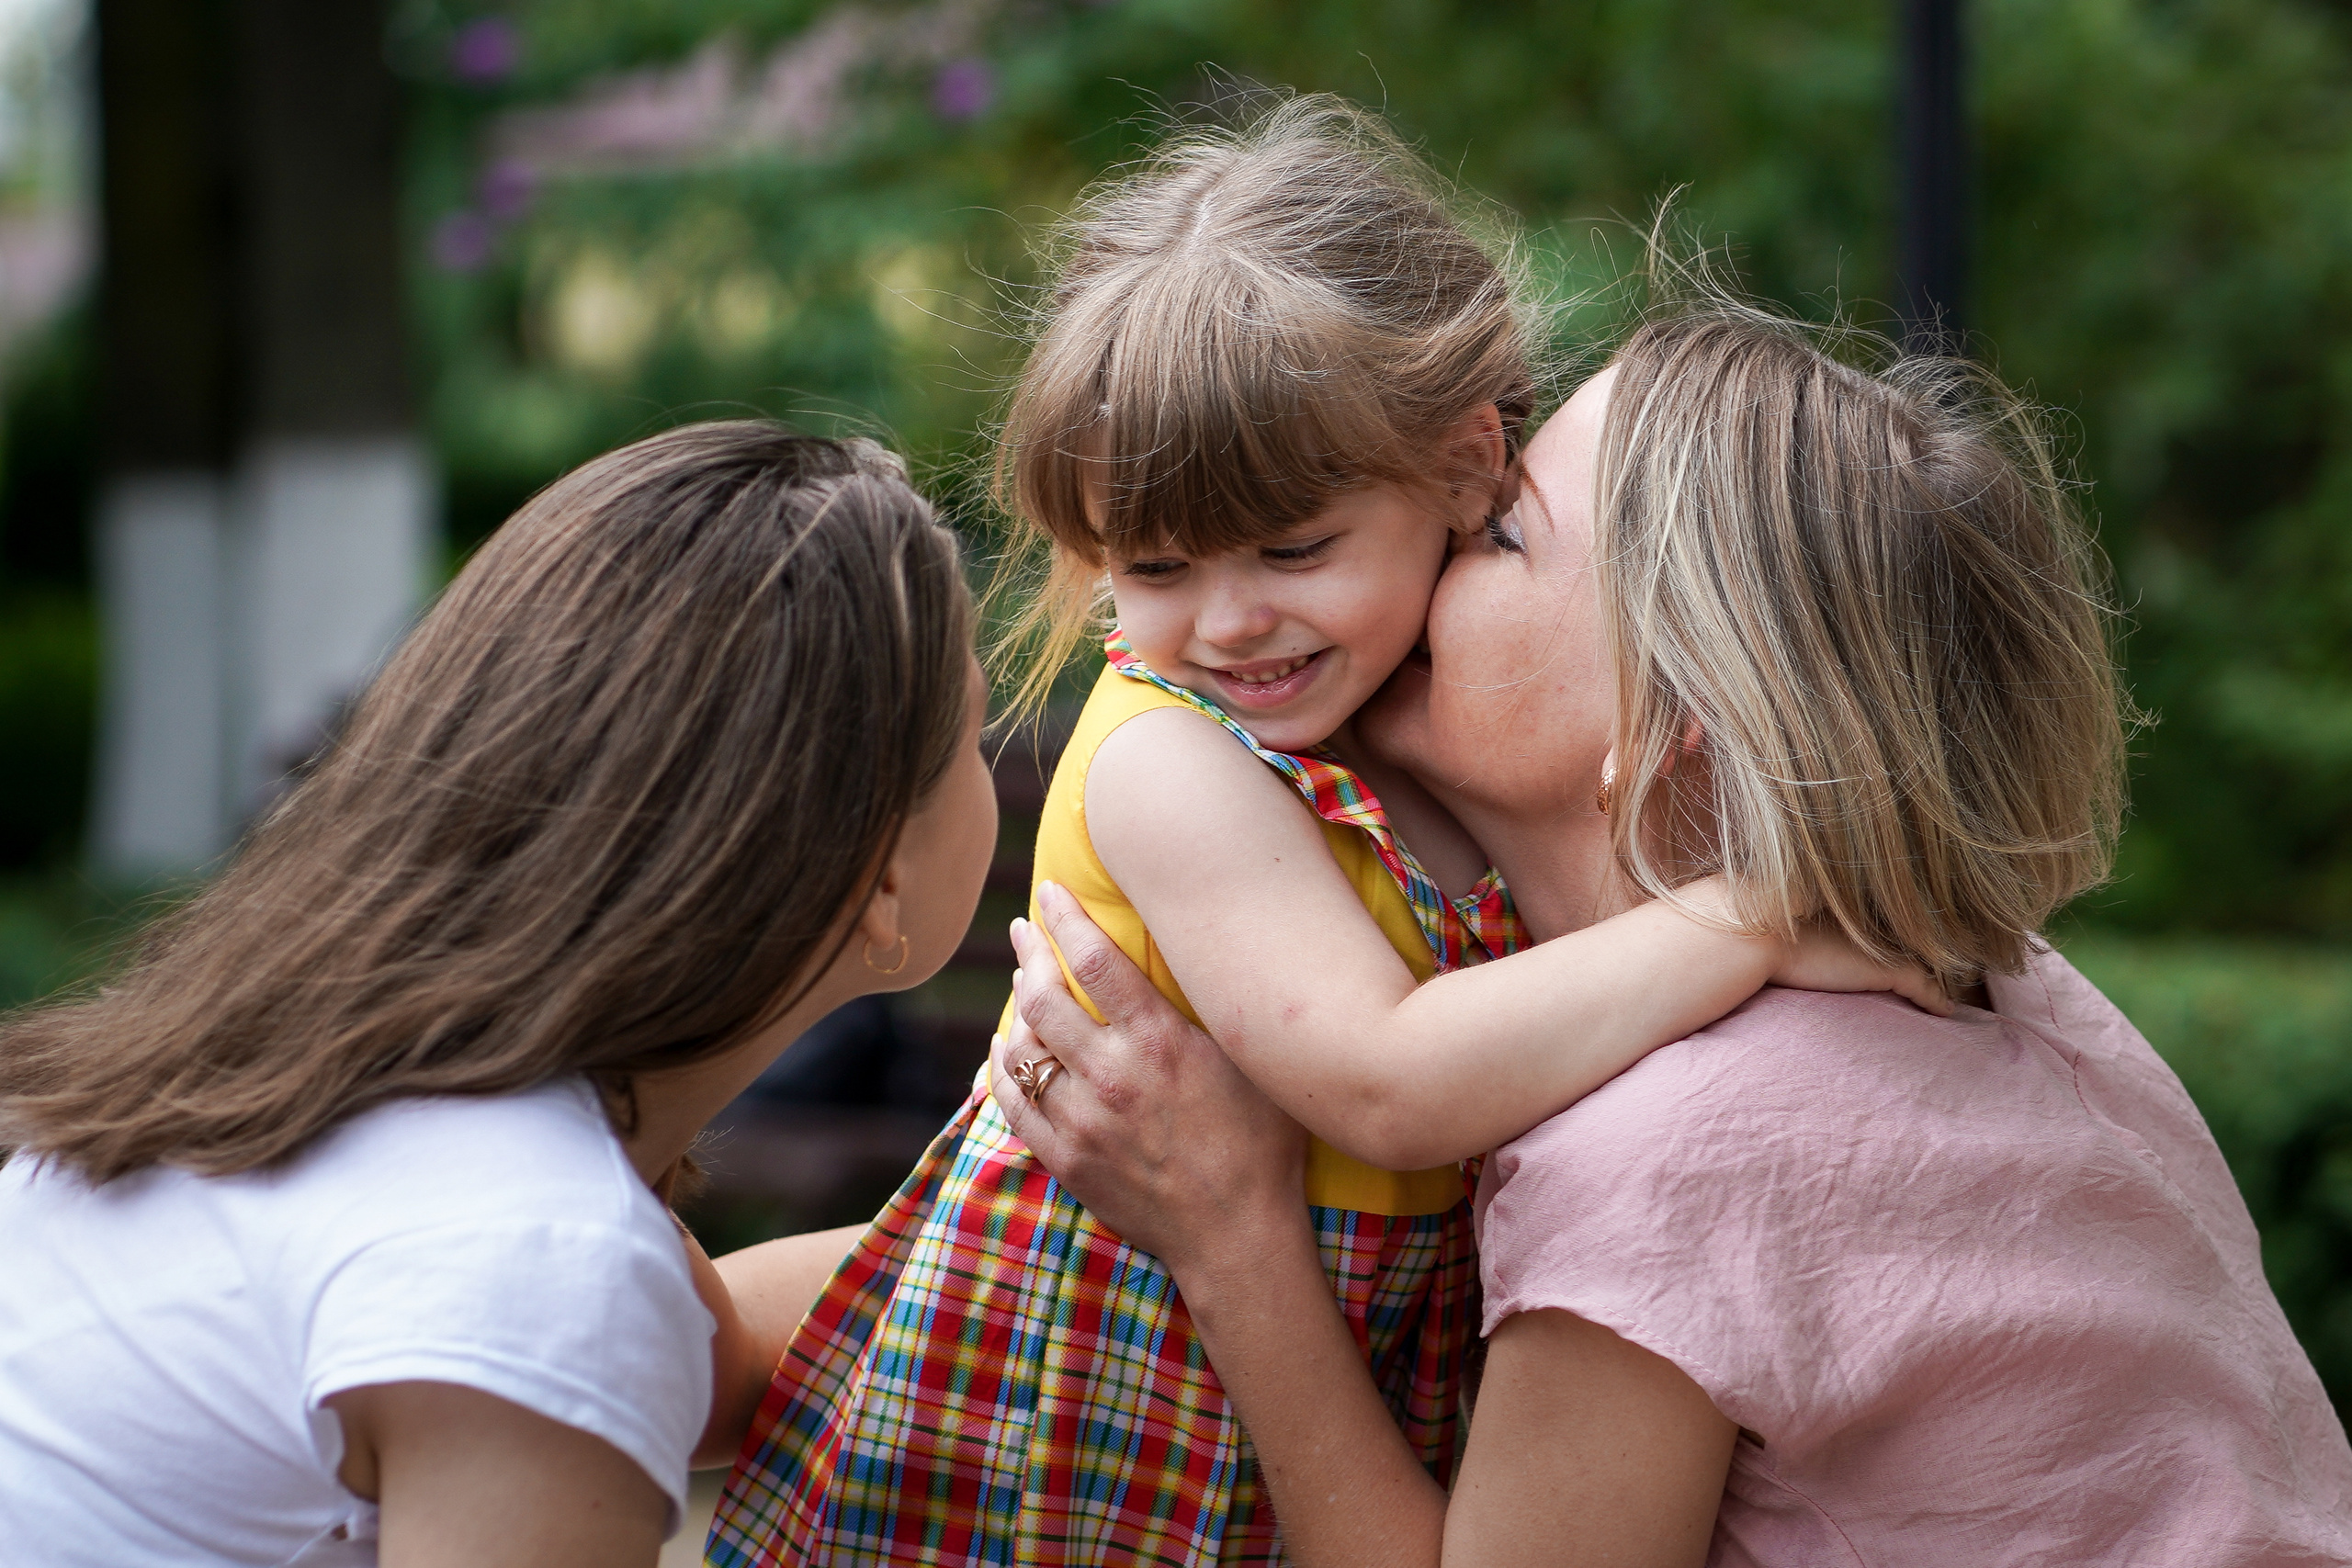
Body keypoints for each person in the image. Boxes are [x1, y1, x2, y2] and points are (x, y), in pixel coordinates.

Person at [710, 102, 1935, 1568]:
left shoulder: (1416, 726)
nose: (1230, 623)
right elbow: (1390, 1083)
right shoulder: (1172, 757)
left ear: (1468, 463)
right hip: (1079, 1439)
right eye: (1155, 563)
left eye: (1297, 548)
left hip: (1300, 1399)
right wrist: (1752, 917)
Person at [991, 303, 2352, 1565]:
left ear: (1661, 718)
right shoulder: (2016, 988)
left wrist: (1232, 1243)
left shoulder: (1684, 1152)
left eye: (1501, 535)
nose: (1436, 536)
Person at [0, 425, 995, 1567]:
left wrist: (1095, 1214)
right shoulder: (538, 1255)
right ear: (875, 865)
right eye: (972, 732)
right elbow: (594, 1322)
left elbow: (723, 1363)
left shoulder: (348, 1097)